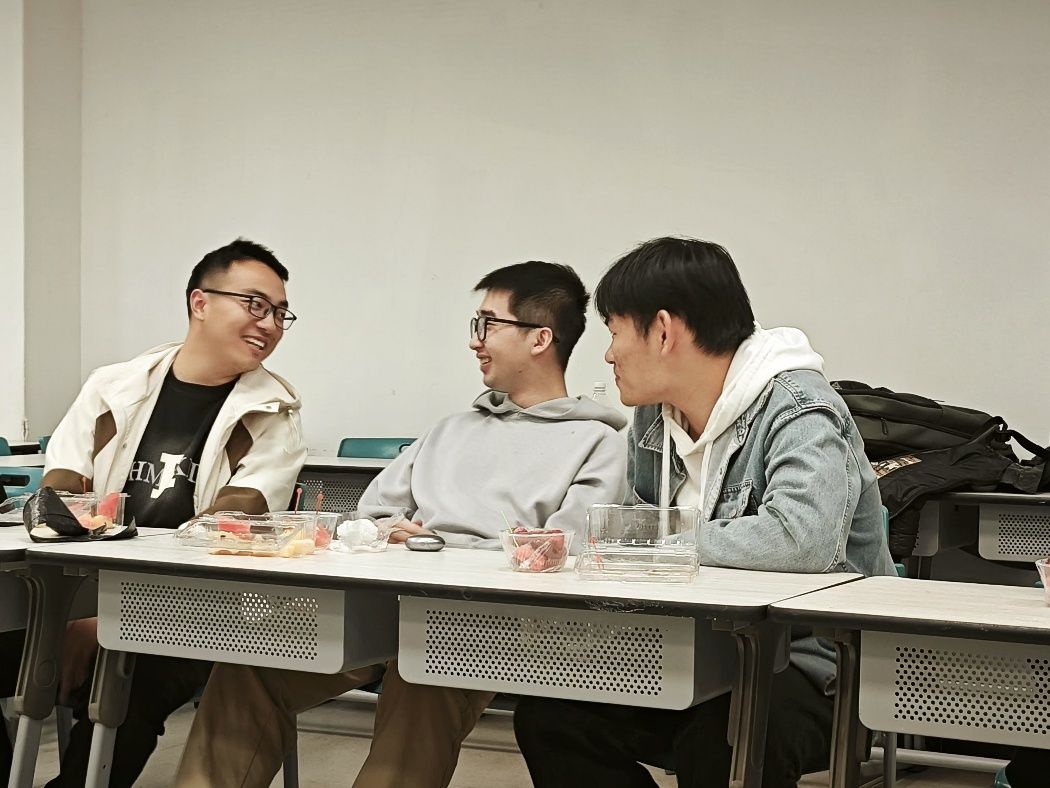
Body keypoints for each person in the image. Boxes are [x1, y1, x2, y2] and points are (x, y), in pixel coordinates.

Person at [174, 260, 628, 788]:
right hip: (380, 608)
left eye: (487, 324)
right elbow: (368, 517)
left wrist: (432, 545)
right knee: (250, 667)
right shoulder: (449, 430)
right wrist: (387, 535)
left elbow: (558, 557)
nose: (475, 341)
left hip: (485, 624)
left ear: (539, 338)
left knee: (426, 671)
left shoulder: (597, 443)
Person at [513, 236, 895, 788]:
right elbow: (629, 530)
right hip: (693, 654)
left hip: (815, 666)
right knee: (550, 717)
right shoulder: (652, 418)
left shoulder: (800, 409)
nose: (609, 354)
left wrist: (657, 542)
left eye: (614, 332)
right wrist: (575, 547)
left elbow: (801, 540)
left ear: (664, 331)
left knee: (725, 734)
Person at [0, 238, 307, 788]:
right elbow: (60, 506)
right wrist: (77, 612)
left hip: (197, 612)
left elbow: (222, 535)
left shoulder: (273, 413)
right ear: (200, 302)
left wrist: (109, 617)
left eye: (281, 313)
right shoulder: (113, 387)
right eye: (255, 304)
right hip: (76, 600)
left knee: (131, 687)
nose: (270, 324)